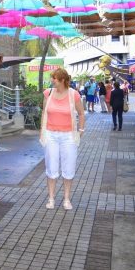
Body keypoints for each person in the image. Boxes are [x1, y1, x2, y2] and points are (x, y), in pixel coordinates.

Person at [41, 68, 85, 210]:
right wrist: (42, 131)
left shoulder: (74, 95)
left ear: (63, 80)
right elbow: (44, 112)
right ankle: (51, 198)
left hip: (68, 136)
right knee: (51, 167)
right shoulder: (48, 93)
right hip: (51, 135)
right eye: (52, 78)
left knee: (69, 167)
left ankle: (66, 198)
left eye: (55, 78)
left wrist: (81, 130)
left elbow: (81, 113)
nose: (52, 80)